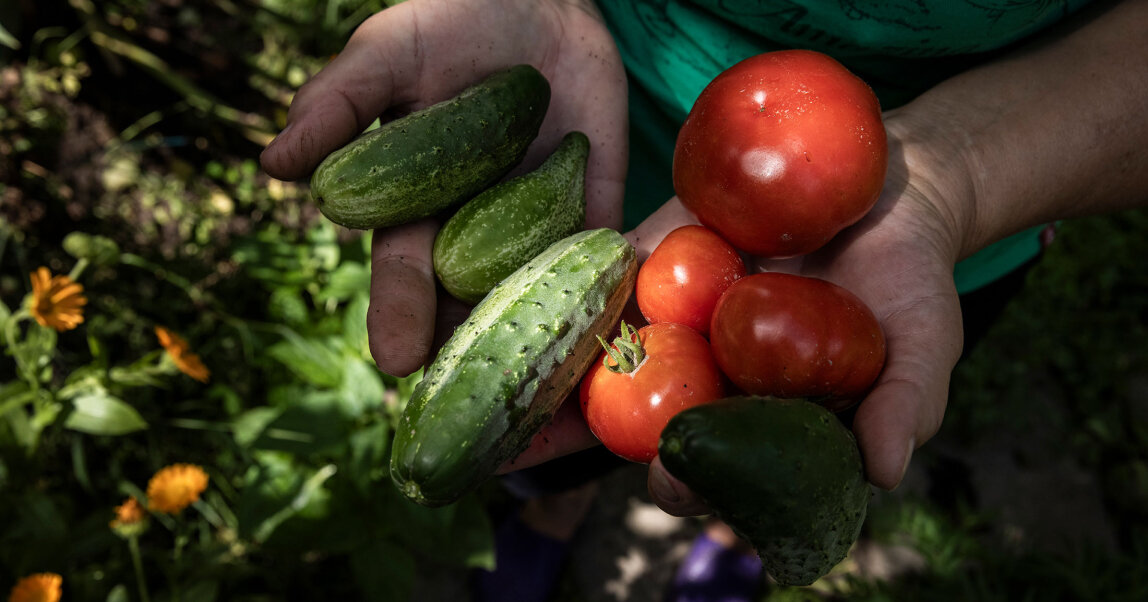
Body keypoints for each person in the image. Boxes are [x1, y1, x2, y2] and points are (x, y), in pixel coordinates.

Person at [261, 1, 1148, 599]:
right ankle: (560, 504)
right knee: (570, 423)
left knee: (764, 446)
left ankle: (731, 540)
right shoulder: (613, 252)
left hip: (896, 232)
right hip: (607, 139)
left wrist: (961, 179)